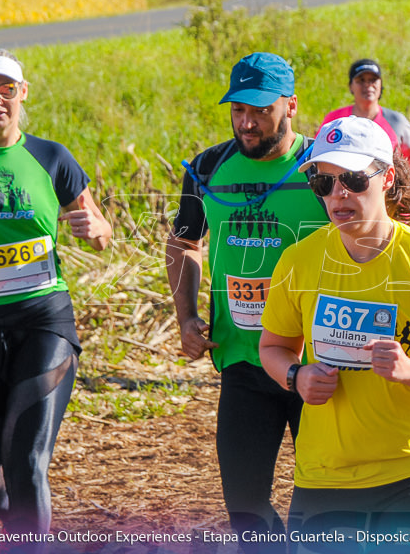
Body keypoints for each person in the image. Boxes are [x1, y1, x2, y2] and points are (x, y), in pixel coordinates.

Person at [258, 116, 410, 547]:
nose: (338, 194)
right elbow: (272, 347)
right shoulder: (298, 262)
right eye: (324, 184)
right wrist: (296, 376)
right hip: (325, 478)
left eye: (352, 178)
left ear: (386, 177)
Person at [166, 52, 329, 552]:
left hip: (321, 363)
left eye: (260, 109)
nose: (247, 122)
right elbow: (184, 241)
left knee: (323, 510)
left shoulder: (324, 167)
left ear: (292, 106)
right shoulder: (207, 168)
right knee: (245, 510)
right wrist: (187, 316)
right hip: (243, 361)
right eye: (238, 109)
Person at [0, 48, 112, 544]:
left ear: (22, 94)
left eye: (7, 89)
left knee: (27, 462)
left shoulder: (51, 157)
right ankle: (18, 523)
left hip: (43, 320)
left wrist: (97, 226)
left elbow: (102, 232)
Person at [319, 58, 410, 180]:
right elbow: (318, 153)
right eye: (361, 80)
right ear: (350, 86)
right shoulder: (335, 119)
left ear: (381, 84)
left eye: (373, 80)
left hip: (386, 194)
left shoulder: (396, 121)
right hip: (343, 192)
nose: (368, 85)